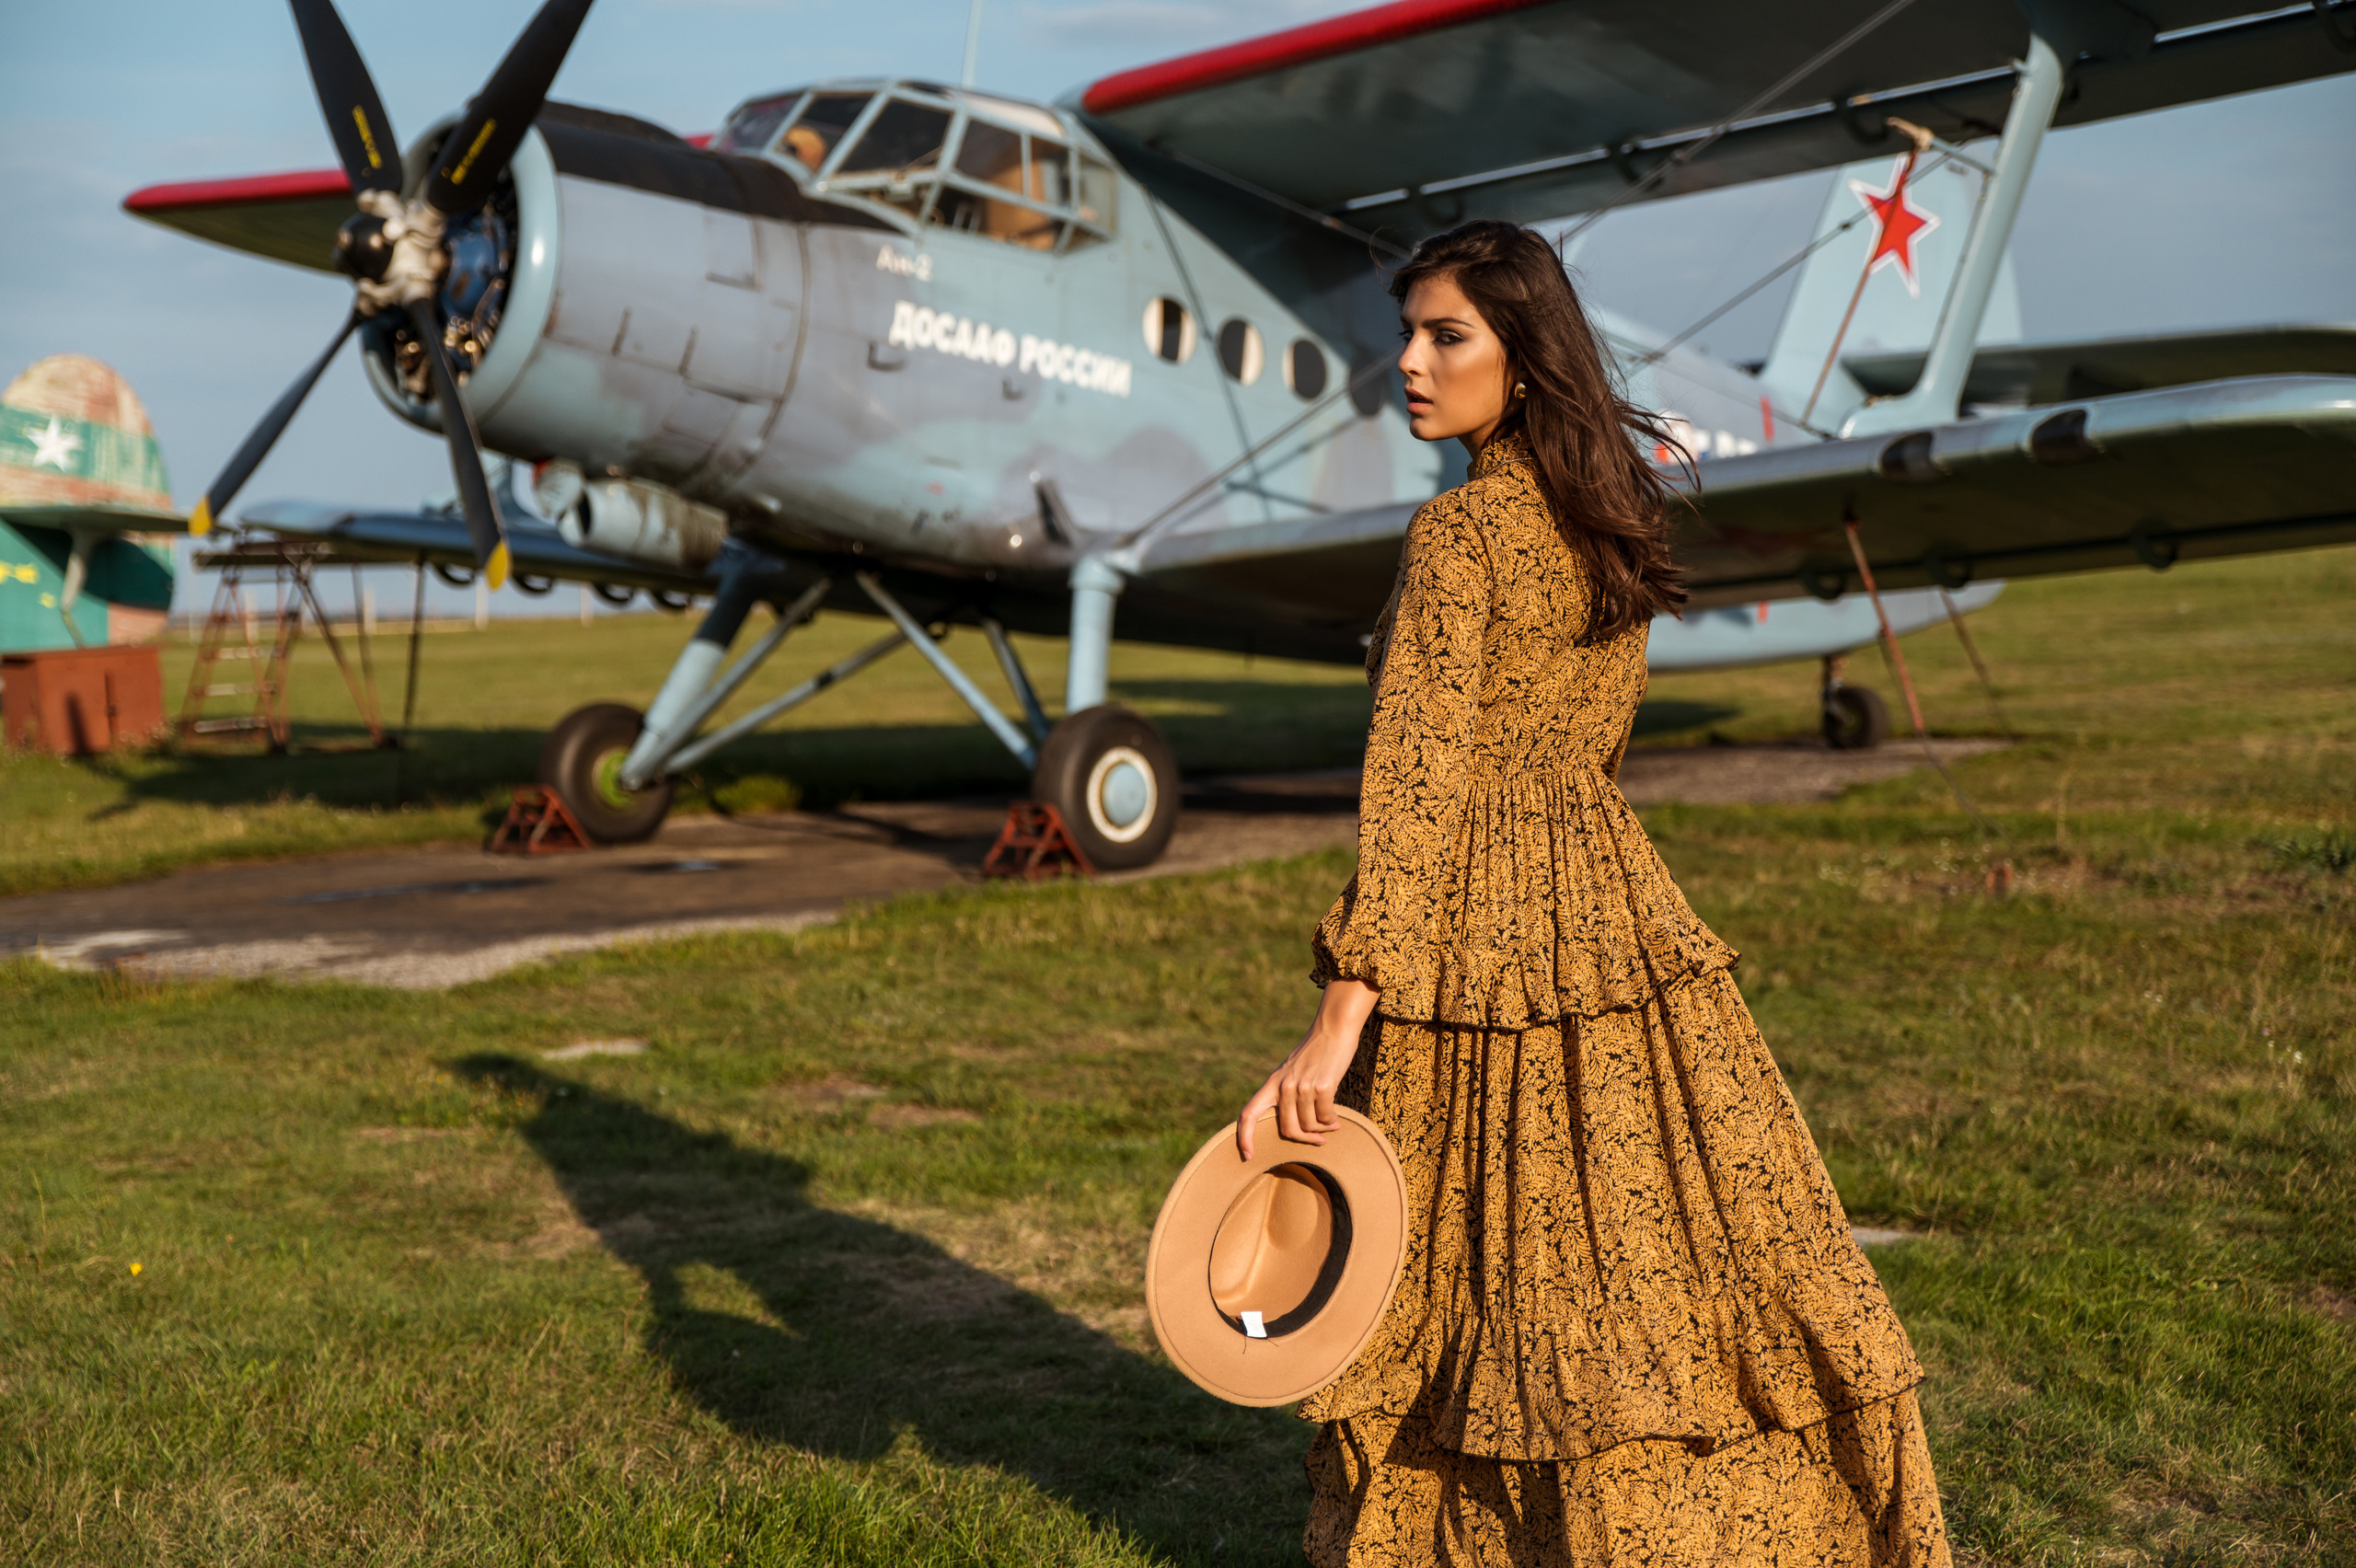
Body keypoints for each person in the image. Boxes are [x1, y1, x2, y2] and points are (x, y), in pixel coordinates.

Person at [1235, 221, 1951, 1566]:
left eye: (1447, 336)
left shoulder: (1459, 535)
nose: (1408, 363)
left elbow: (1416, 789)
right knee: (1665, 1259)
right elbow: (1590, 747)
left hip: (1467, 925)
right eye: (1408, 334)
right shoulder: (1608, 515)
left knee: (1470, 1271)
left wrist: (1340, 1016)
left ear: (1525, 354)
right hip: (1607, 899)